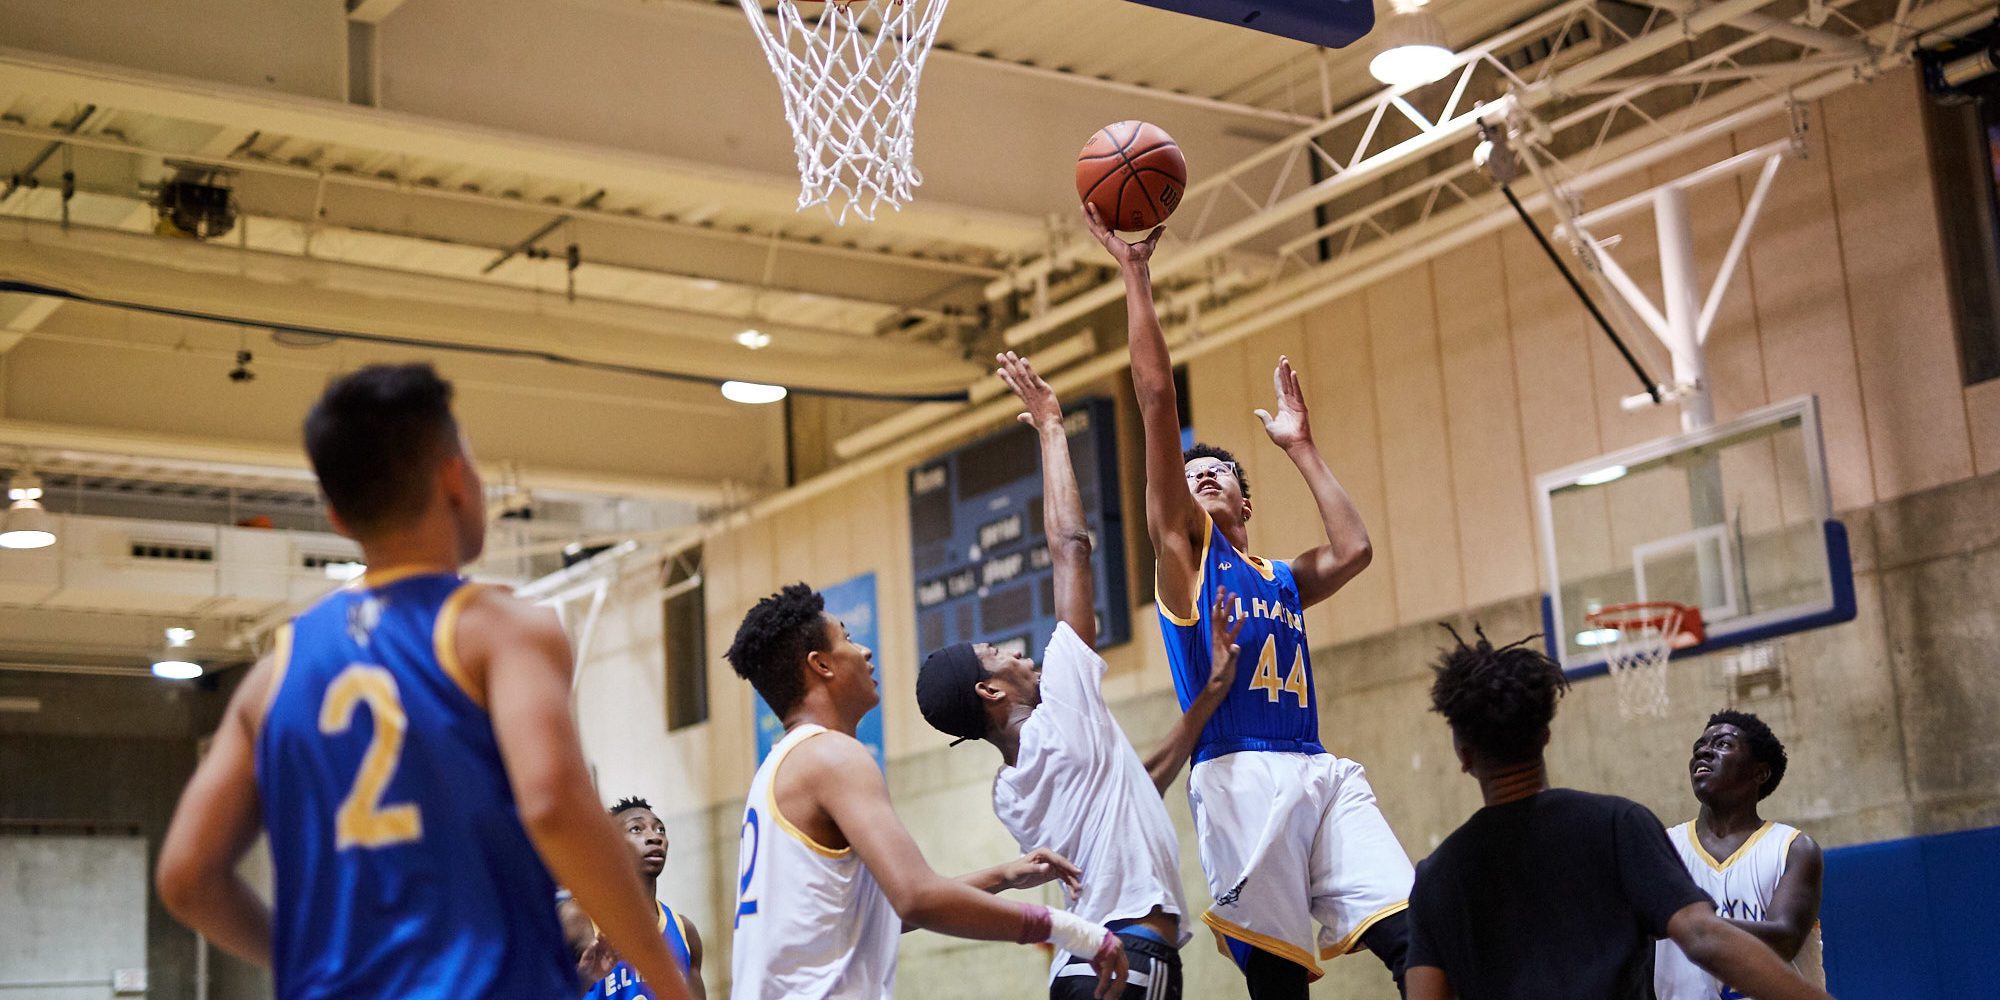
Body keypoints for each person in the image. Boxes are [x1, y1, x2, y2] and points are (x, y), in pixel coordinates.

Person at [154, 364, 694, 1000]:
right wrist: (668, 980)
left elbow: (187, 877)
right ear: (455, 478)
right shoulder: (503, 632)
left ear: (335, 515)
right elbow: (553, 803)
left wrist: (310, 959)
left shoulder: (273, 675)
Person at [1084, 203, 1413, 997]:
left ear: (1244, 500)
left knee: (1415, 932)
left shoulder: (1278, 577)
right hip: (1236, 774)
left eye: (1220, 472)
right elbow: (1156, 403)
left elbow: (1355, 551)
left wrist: (1301, 447)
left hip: (1316, 764)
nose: (1201, 476)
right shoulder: (1186, 568)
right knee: (1279, 985)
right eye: (1191, 474)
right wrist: (1135, 274)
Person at [913, 352, 1244, 999]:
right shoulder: (1064, 703)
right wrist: (1052, 429)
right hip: (1125, 957)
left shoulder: (1010, 792)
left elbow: (1135, 784)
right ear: (990, 690)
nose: (1016, 648)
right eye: (996, 651)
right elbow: (1071, 548)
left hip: (1085, 966)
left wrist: (1206, 700)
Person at [724, 582, 1130, 1000]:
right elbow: (916, 898)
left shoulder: (776, 769)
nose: (864, 650)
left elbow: (876, 916)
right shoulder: (831, 755)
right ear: (822, 665)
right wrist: (1069, 930)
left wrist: (1004, 875)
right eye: (846, 638)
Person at [1405, 626, 1837, 1000]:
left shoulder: (1435, 877)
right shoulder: (1616, 825)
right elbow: (1704, 936)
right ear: (1545, 734)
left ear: (1463, 755)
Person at [1655, 711, 1826, 999]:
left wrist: (1694, 927)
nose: (1705, 751)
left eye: (1722, 744)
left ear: (1759, 772)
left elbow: (1784, 942)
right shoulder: (1663, 847)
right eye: (1699, 747)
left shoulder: (1793, 848)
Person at [564, 797, 708, 1000]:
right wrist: (584, 979)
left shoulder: (685, 931)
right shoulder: (577, 920)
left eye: (660, 829)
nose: (654, 837)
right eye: (636, 829)